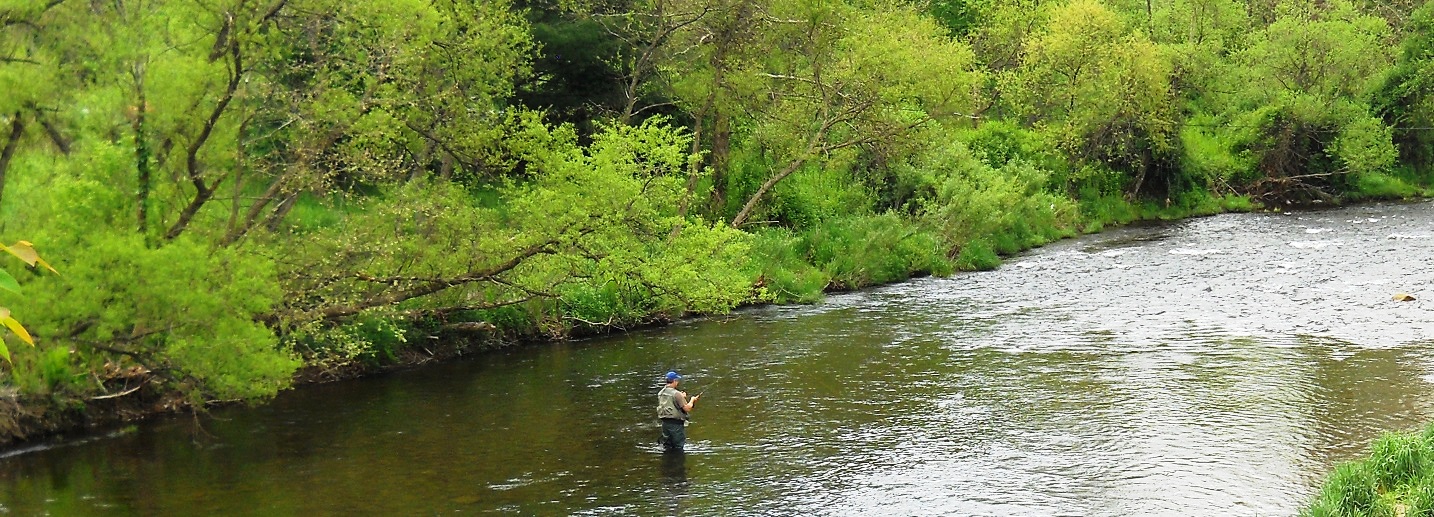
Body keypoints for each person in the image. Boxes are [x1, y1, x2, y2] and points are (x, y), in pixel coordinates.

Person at [657, 371, 699, 452]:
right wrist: (692, 400)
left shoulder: (661, 393)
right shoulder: (677, 394)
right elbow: (687, 408)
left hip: (665, 424)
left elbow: (670, 402)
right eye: (677, 381)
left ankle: (668, 462)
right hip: (676, 425)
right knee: (678, 447)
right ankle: (678, 463)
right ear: (675, 381)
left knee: (667, 446)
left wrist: (682, 397)